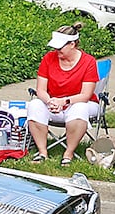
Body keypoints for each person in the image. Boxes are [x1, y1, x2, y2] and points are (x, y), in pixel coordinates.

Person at [24, 25, 101, 167]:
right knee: (34, 104)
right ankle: (42, 152)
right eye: (55, 47)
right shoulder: (48, 58)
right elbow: (40, 89)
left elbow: (86, 95)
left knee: (80, 108)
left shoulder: (88, 61)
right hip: (53, 103)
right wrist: (50, 101)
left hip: (79, 103)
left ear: (72, 44)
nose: (56, 51)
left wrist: (64, 101)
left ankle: (68, 153)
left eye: (60, 47)